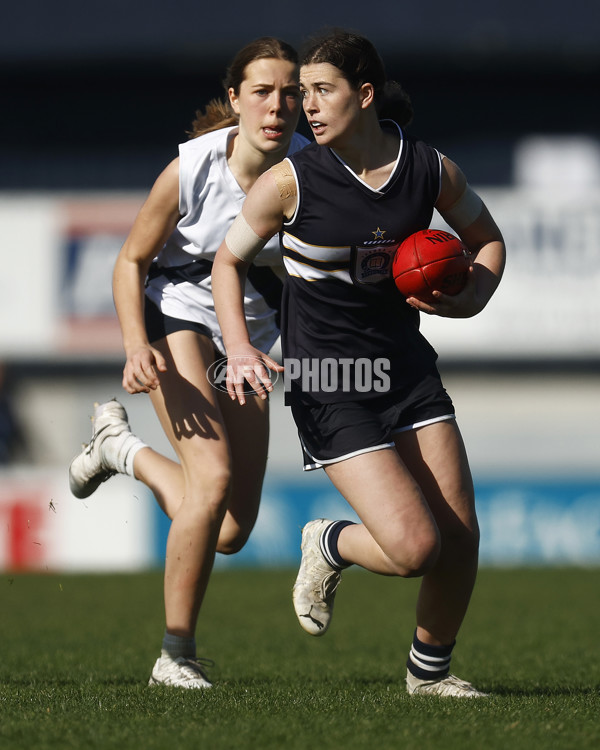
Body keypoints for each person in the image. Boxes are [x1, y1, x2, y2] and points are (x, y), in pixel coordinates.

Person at [211, 30, 506, 698]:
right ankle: (331, 543)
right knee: (412, 549)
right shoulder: (288, 182)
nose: (304, 107)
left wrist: (474, 296)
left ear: (365, 94)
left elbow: (486, 241)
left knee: (460, 538)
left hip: (407, 369)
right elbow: (226, 262)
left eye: (320, 91)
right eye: (300, 93)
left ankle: (429, 675)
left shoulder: (429, 170)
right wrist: (238, 347)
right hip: (329, 383)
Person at [68, 37, 309, 689]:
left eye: (292, 91)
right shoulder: (193, 169)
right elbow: (129, 260)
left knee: (230, 528)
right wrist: (133, 344)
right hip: (175, 318)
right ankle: (174, 656)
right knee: (212, 478)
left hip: (249, 346)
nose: (278, 104)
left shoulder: (315, 175)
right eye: (262, 90)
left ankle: (121, 450)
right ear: (235, 99)